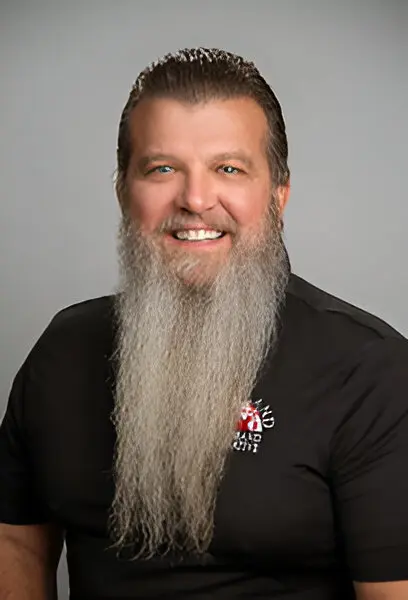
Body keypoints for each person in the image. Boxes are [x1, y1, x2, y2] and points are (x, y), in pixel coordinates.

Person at [0, 47, 407, 600]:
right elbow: (17, 543)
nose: (194, 198)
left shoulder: (369, 370)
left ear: (278, 195)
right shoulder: (62, 351)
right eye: (162, 168)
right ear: (123, 192)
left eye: (229, 169)